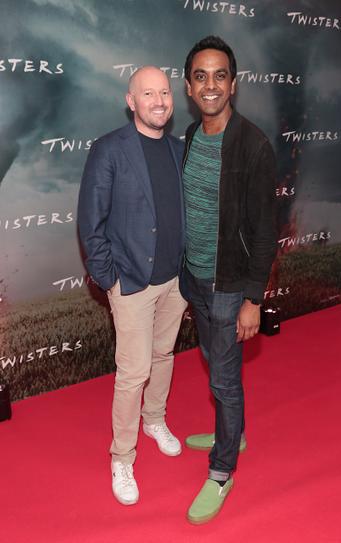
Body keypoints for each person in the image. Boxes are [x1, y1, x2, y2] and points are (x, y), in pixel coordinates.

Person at [78, 66, 187, 506]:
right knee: (133, 372)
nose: (158, 100)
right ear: (131, 101)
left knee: (163, 355)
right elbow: (91, 223)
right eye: (148, 93)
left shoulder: (182, 149)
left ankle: (155, 419)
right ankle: (122, 457)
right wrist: (110, 280)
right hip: (133, 284)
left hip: (176, 280)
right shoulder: (109, 149)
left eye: (164, 92)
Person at [182, 36, 277, 524]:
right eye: (201, 76)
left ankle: (223, 468)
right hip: (194, 281)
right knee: (211, 362)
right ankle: (231, 431)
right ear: (189, 86)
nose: (211, 84)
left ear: (233, 85)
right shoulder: (190, 138)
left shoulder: (254, 145)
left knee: (224, 377)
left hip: (230, 284)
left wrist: (252, 299)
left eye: (220, 75)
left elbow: (265, 231)